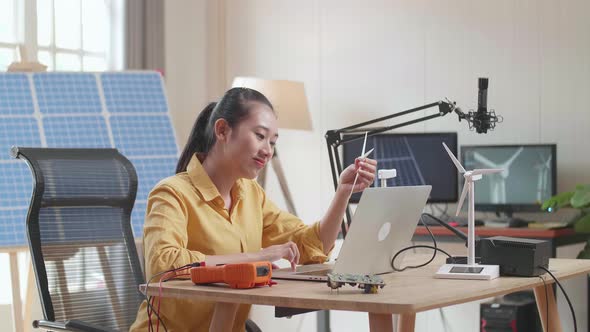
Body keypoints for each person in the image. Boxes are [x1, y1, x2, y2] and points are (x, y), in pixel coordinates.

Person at [130, 87, 377, 332]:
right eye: (260, 136)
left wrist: (343, 192)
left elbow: (310, 245)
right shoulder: (172, 193)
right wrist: (257, 256)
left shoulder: (251, 194)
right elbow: (163, 266)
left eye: (272, 142)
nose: (268, 150)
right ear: (223, 130)